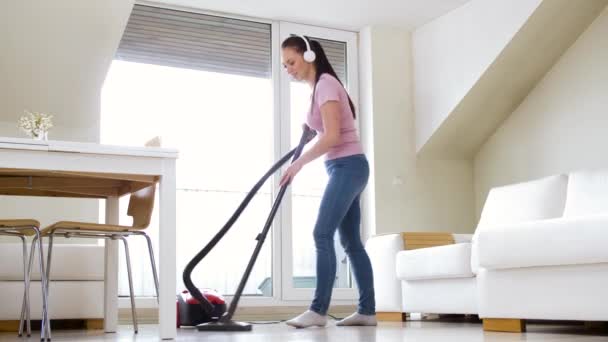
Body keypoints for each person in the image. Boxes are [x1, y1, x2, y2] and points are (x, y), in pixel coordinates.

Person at [279, 35, 376, 328]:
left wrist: (298, 163)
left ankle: (318, 311)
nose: (289, 69)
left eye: (291, 62)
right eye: (284, 66)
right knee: (350, 242)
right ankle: (368, 311)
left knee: (322, 234)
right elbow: (326, 128)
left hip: (348, 166)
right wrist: (309, 128)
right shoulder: (317, 90)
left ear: (309, 56)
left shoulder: (326, 85)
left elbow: (333, 137)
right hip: (342, 167)